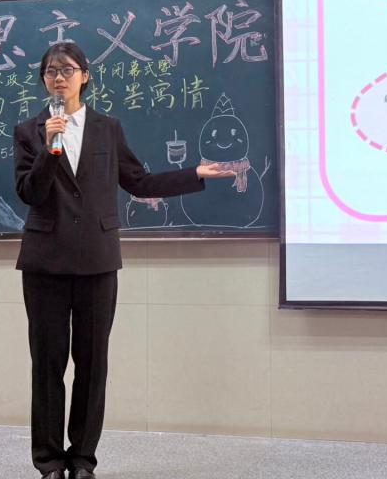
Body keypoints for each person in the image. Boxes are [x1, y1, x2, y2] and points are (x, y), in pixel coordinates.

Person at [13, 42, 234, 479]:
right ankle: (49, 462)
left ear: (85, 75)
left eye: (67, 69)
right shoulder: (29, 131)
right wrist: (48, 147)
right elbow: (28, 192)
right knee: (48, 364)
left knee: (93, 364)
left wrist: (193, 174)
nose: (59, 78)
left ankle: (82, 460)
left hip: (97, 260)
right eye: (51, 71)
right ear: (43, 80)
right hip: (44, 262)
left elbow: (139, 182)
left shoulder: (107, 128)